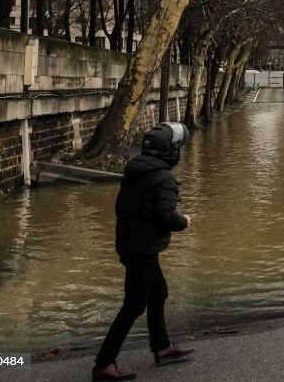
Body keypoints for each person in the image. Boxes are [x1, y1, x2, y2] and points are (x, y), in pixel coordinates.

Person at [92, 122, 195, 381]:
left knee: (158, 293)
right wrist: (184, 220)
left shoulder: (134, 172)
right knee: (134, 305)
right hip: (144, 249)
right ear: (171, 150)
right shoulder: (164, 178)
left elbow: (125, 209)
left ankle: (162, 347)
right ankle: (104, 363)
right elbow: (166, 217)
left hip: (130, 243)